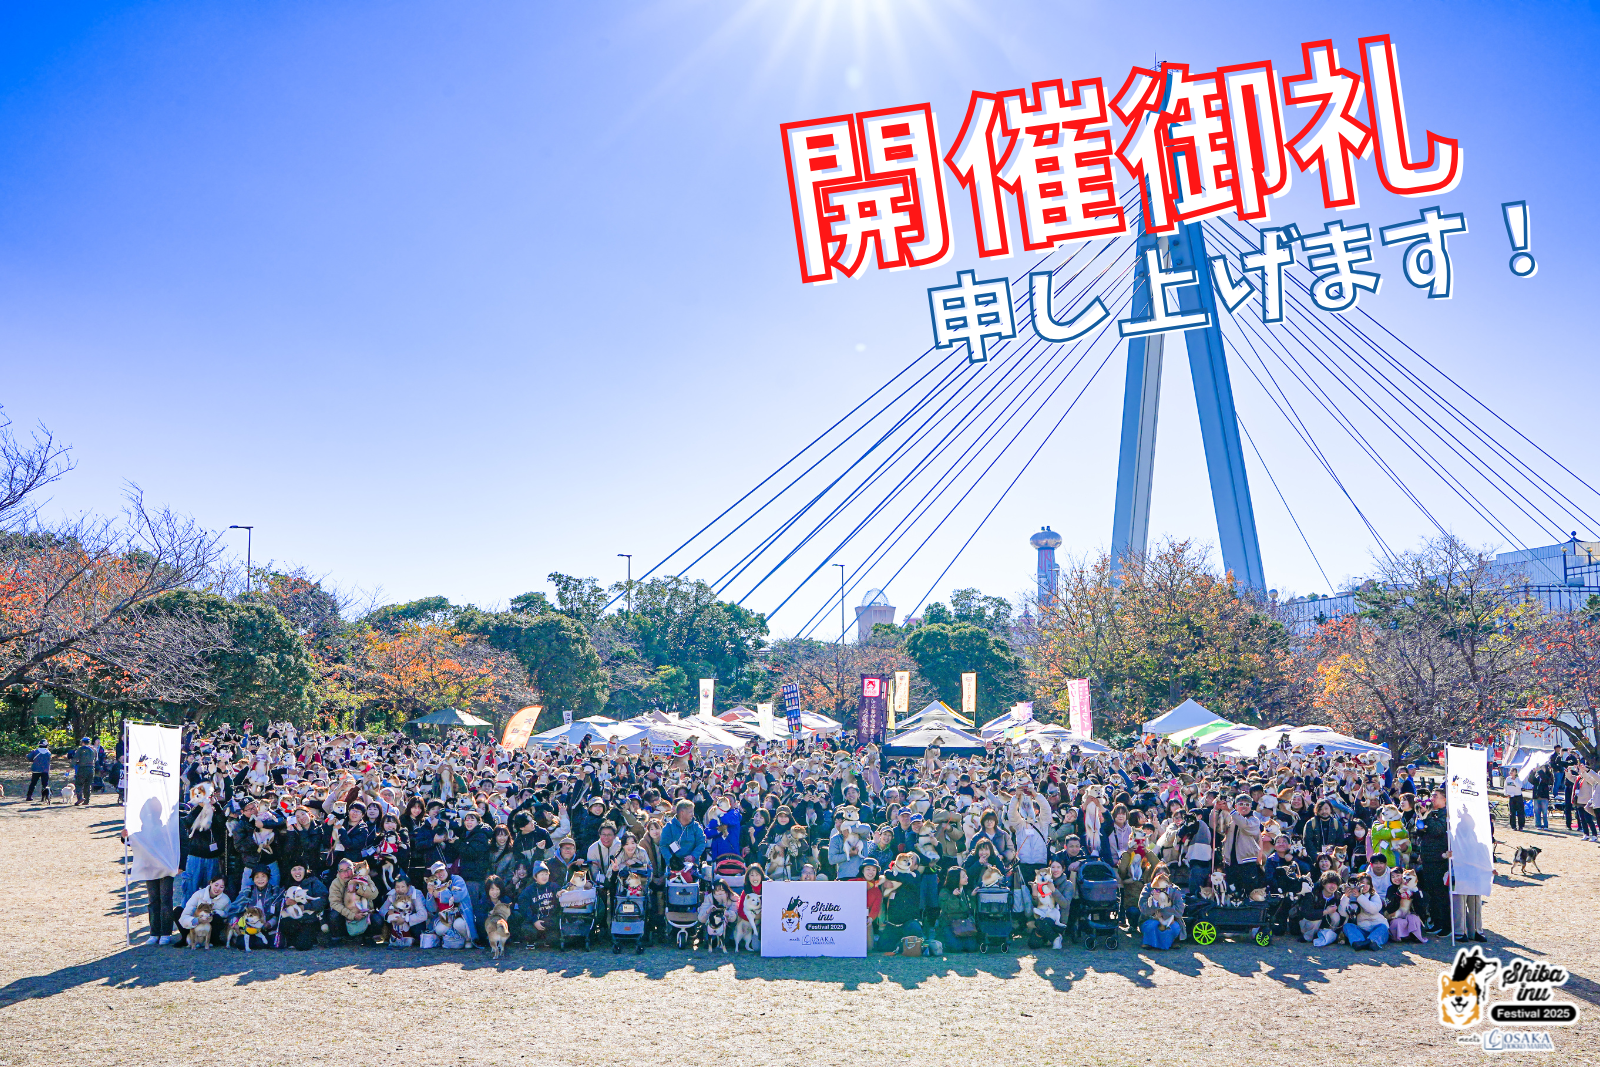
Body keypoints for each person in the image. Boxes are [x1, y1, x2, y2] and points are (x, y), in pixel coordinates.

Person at [178, 876, 232, 948]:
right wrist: (196, 920)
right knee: (178, 911)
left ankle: (212, 940)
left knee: (217, 918)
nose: (217, 889)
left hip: (210, 926)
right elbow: (187, 911)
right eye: (216, 885)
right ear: (211, 883)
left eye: (221, 887)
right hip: (195, 923)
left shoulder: (225, 899)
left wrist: (215, 912)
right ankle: (186, 939)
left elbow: (228, 915)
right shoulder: (199, 894)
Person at [72, 736, 98, 806]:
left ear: (82, 742)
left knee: (79, 784)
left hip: (82, 768)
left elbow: (75, 759)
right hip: (91, 768)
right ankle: (86, 800)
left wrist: (71, 766)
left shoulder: (80, 749)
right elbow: (96, 759)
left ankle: (80, 798)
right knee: (88, 785)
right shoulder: (94, 750)